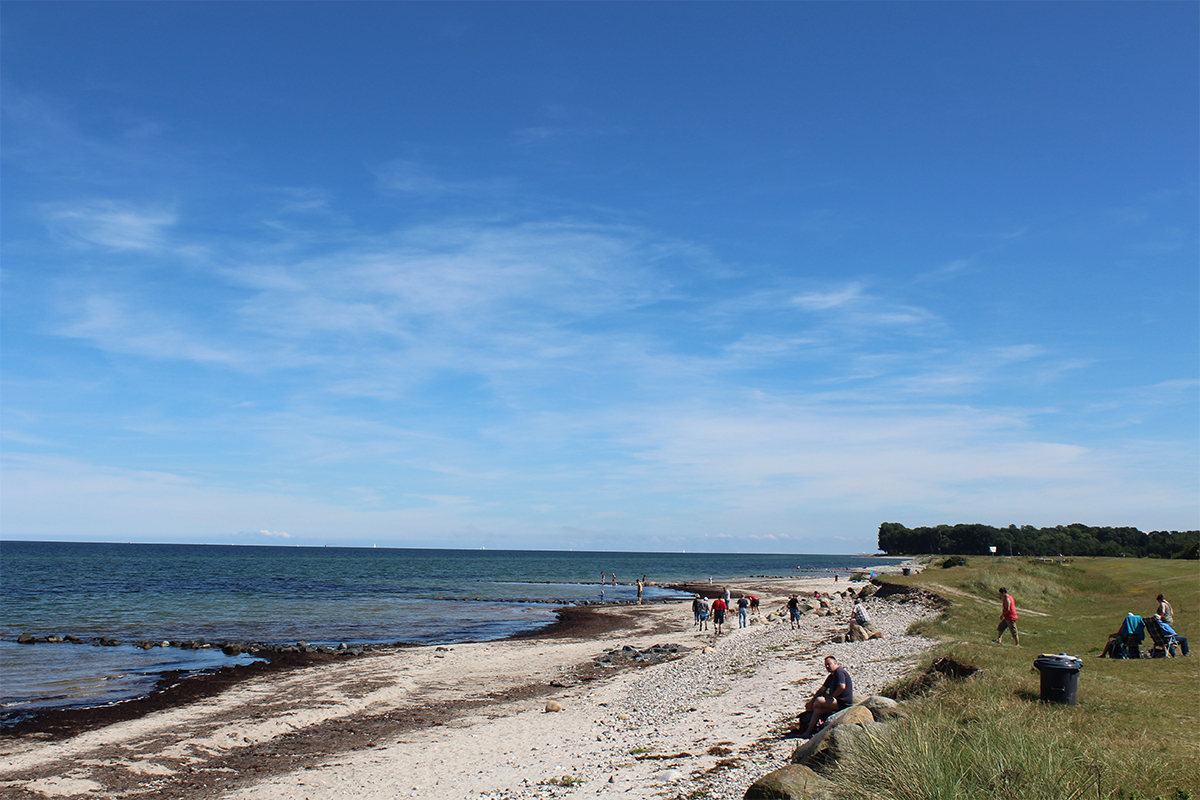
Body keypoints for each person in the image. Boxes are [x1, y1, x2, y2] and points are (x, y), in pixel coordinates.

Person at [800, 656, 853, 738]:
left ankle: (817, 718)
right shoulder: (831, 676)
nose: (827, 666)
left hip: (843, 702)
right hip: (836, 703)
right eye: (826, 665)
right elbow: (822, 690)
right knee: (818, 710)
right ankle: (808, 732)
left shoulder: (840, 672)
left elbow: (842, 687)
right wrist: (811, 702)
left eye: (829, 664)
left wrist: (832, 696)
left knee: (818, 701)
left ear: (835, 663)